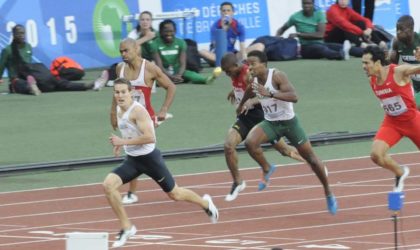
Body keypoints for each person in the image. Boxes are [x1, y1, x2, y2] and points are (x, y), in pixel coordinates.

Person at [103, 78, 219, 248]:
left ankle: (206, 204)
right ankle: (127, 227)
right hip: (133, 161)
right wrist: (121, 145)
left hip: (150, 159)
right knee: (108, 185)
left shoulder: (138, 112)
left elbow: (150, 137)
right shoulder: (120, 111)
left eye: (123, 92)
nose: (119, 95)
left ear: (131, 92)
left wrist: (122, 142)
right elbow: (128, 133)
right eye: (116, 92)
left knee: (175, 194)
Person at [241, 50, 337, 215]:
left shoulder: (277, 76)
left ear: (264, 64)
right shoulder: (254, 81)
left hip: (289, 123)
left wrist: (269, 93)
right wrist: (245, 103)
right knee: (250, 142)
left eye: (253, 64)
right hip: (271, 123)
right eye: (248, 64)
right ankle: (266, 168)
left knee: (312, 160)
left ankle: (328, 192)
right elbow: (250, 92)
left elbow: (294, 96)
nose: (250, 67)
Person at [221, 52, 305, 201]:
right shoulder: (235, 75)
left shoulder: (249, 74)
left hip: (261, 117)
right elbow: (244, 89)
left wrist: (250, 102)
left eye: (228, 71)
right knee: (228, 146)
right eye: (225, 72)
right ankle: (238, 182)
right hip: (245, 118)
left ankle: (313, 163)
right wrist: (235, 92)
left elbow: (264, 94)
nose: (227, 74)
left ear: (236, 66)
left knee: (285, 150)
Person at [115, 37, 176, 204]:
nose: (123, 54)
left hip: (145, 119)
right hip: (127, 118)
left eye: (126, 50)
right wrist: (113, 114)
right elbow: (117, 92)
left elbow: (171, 86)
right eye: (120, 51)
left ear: (136, 49)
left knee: (136, 152)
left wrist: (164, 109)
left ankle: (132, 192)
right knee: (133, 152)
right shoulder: (120, 69)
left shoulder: (149, 69)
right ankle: (133, 191)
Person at [362, 45, 420, 192]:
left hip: (412, 121)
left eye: (366, 63)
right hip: (392, 123)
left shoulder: (398, 72)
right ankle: (400, 172)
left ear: (377, 63)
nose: (363, 67)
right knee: (376, 155)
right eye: (362, 63)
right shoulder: (372, 80)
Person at [0, 25, 92, 95]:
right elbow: (1, 65)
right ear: (13, 35)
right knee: (18, 83)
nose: (21, 35)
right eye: (18, 33)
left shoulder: (28, 47)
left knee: (58, 82)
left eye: (23, 33)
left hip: (31, 75)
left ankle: (84, 85)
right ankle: (31, 87)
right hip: (17, 78)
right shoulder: (7, 50)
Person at [93, 11, 157, 90]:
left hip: (151, 63)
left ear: (151, 21)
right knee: (120, 66)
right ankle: (105, 76)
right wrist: (146, 38)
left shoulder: (156, 34)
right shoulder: (133, 34)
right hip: (135, 63)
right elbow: (128, 48)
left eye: (147, 20)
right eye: (142, 19)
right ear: (139, 22)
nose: (145, 22)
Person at [276, 0, 351, 60]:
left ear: (313, 3)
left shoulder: (319, 14)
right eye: (304, 3)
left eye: (309, 3)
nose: (306, 6)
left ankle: (361, 52)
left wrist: (299, 35)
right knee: (321, 49)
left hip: (320, 43)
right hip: (305, 47)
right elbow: (282, 29)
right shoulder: (295, 17)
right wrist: (276, 38)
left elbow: (320, 35)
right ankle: (341, 55)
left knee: (340, 46)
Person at [151, 19, 219, 84]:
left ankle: (205, 79)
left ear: (175, 31)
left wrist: (179, 75)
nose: (169, 34)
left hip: (178, 71)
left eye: (171, 31)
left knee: (190, 74)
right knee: (156, 79)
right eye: (166, 31)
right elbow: (159, 66)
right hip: (163, 72)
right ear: (160, 32)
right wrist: (171, 76)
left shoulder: (181, 42)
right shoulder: (155, 44)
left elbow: (183, 63)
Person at [198, 2, 264, 66]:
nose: (226, 12)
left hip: (232, 55)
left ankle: (231, 62)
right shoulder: (215, 26)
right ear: (220, 12)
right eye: (224, 11)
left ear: (233, 12)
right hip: (218, 56)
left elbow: (242, 46)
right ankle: (228, 63)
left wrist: (244, 58)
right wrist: (224, 30)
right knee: (202, 52)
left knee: (259, 46)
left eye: (228, 10)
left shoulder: (239, 26)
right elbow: (215, 45)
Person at [388, 15, 420, 110]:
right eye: (397, 29)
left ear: (411, 29)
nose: (398, 32)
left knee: (413, 108)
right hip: (416, 88)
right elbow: (391, 67)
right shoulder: (397, 43)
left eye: (402, 30)